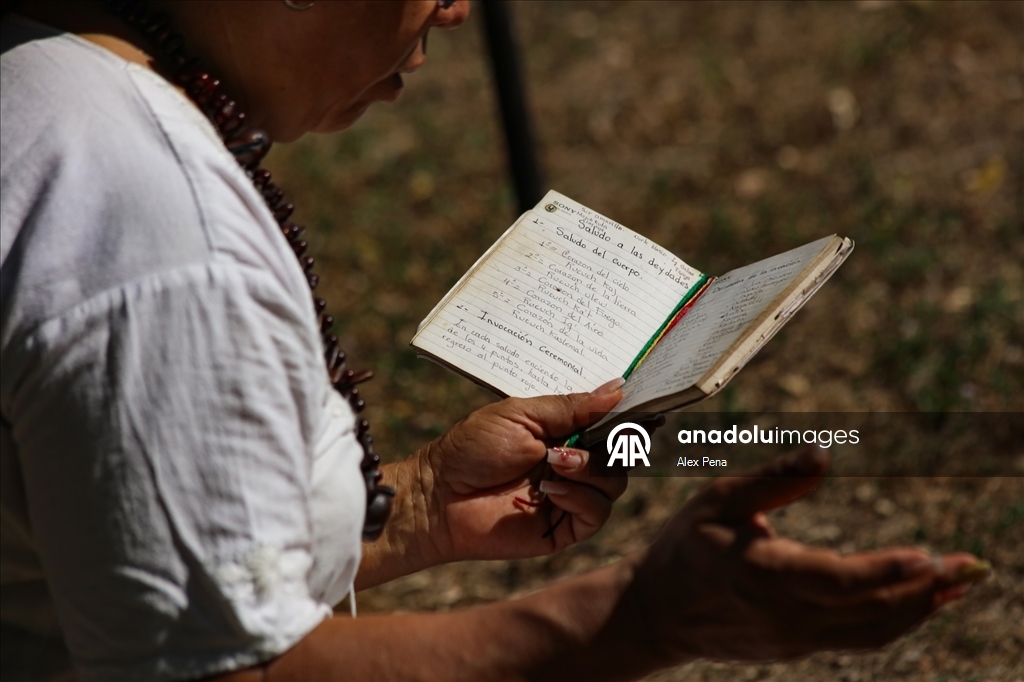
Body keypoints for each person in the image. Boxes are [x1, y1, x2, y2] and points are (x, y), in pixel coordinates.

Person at [0, 2, 982, 681]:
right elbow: (227, 675)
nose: (457, 9)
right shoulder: (157, 232)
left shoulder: (41, 75)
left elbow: (88, 533)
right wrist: (640, 618)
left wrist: (415, 506)